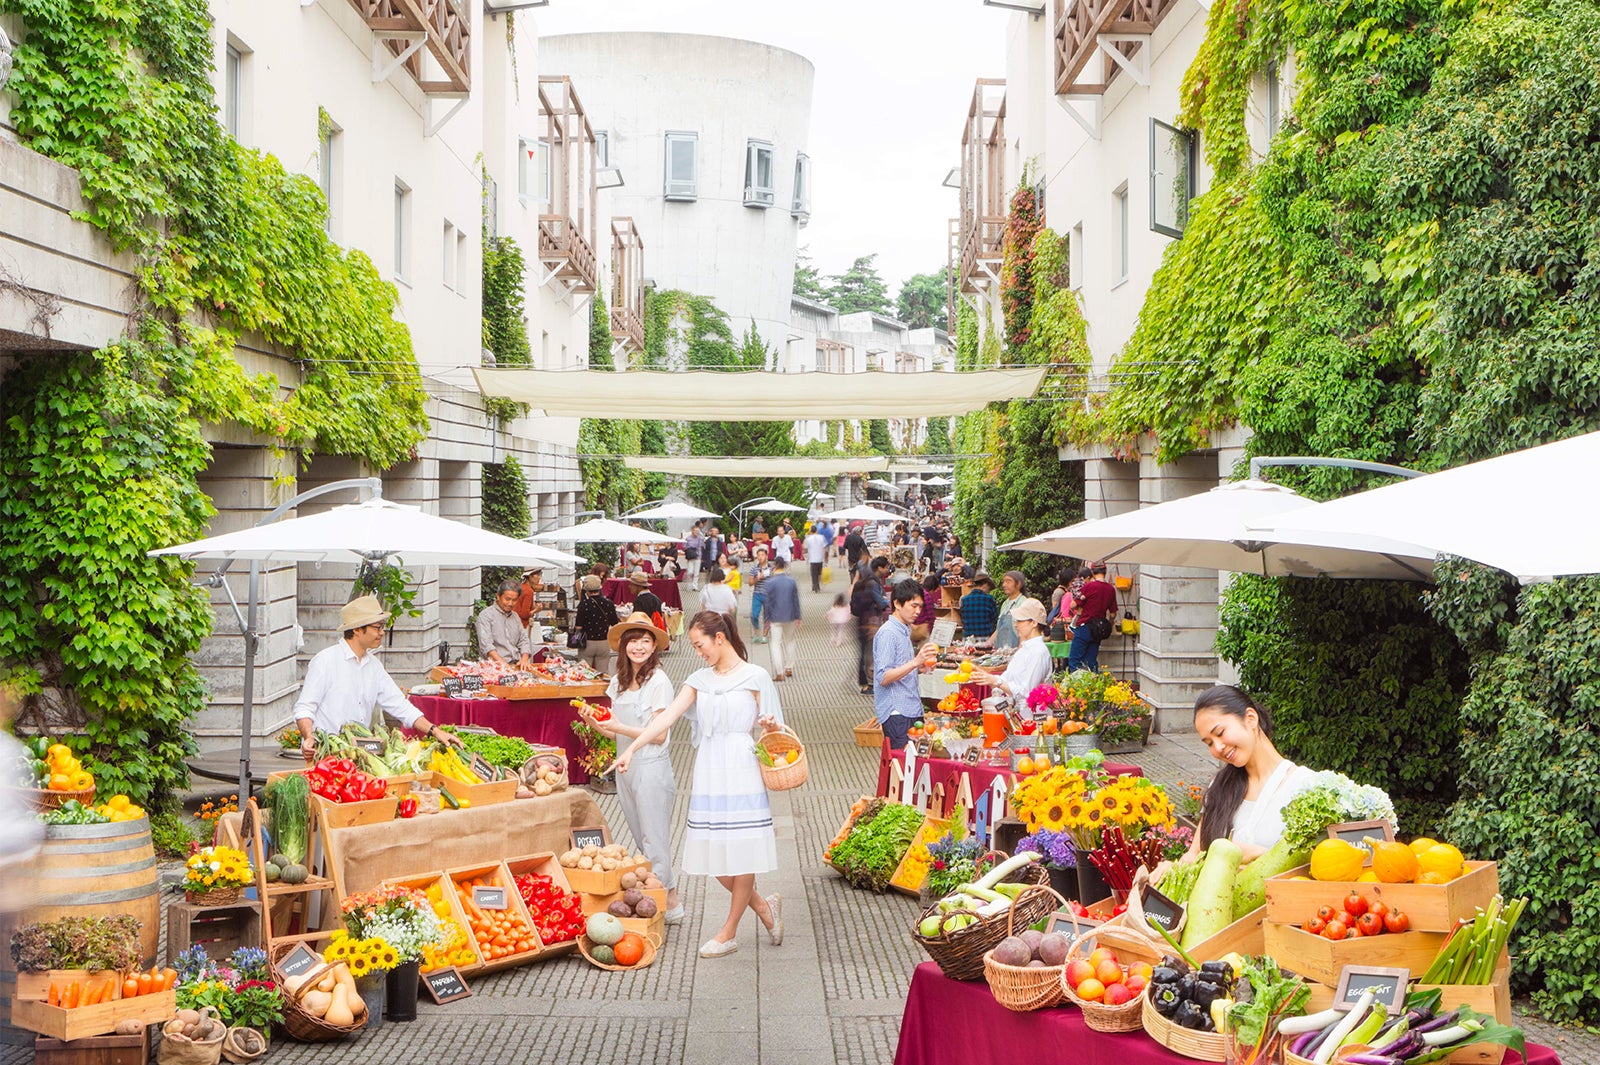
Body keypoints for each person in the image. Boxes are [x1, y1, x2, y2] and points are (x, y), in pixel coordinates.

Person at [613, 611, 785, 959]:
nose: (698, 652)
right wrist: (631, 747)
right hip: (709, 767)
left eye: (700, 644)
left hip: (742, 765)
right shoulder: (698, 680)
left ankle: (728, 932)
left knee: (743, 852)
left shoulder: (756, 677)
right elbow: (666, 718)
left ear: (719, 638)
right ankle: (764, 908)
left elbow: (778, 731)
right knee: (715, 859)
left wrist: (768, 726)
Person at [592, 613, 683, 922]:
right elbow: (614, 728)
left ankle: (665, 903)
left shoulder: (659, 681)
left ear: (655, 646)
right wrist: (598, 723)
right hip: (625, 767)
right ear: (623, 645)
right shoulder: (617, 681)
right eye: (634, 640)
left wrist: (620, 728)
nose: (639, 647)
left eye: (646, 641)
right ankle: (667, 897)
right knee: (640, 838)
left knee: (654, 841)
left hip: (651, 768)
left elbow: (659, 735)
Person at [293, 596, 460, 758]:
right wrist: (308, 736)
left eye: (383, 627)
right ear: (357, 629)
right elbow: (304, 708)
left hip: (360, 754)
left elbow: (400, 705)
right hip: (326, 754)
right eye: (377, 627)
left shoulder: (373, 666)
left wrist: (435, 731)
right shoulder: (325, 661)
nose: (382, 632)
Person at [1184, 685, 1318, 862]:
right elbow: (1195, 854)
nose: (1218, 748)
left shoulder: (1304, 785)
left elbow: (1318, 865)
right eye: (1209, 743)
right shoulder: (1220, 786)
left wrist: (1262, 856)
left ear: (1250, 718)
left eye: (1220, 733)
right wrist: (1169, 869)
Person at [873, 580, 940, 750]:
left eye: (920, 607)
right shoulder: (888, 633)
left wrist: (919, 668)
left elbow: (900, 667)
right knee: (903, 765)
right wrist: (915, 662)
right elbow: (884, 677)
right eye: (914, 606)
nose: (918, 611)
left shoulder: (903, 629)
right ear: (897, 603)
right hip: (897, 712)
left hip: (910, 708)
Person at [969, 598, 1052, 709]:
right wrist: (983, 675)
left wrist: (995, 681)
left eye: (1020, 621)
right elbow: (1006, 679)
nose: (1016, 625)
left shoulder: (1038, 652)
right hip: (1016, 712)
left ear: (1033, 623)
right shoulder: (1024, 649)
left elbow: (1027, 692)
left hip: (1031, 717)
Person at [850, 557, 891, 694]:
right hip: (871, 622)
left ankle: (865, 682)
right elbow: (882, 602)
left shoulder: (863, 583)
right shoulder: (873, 584)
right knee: (869, 653)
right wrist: (884, 601)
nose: (887, 570)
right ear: (879, 568)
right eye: (886, 567)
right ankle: (868, 683)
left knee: (864, 653)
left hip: (861, 621)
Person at [1068, 563, 1118, 672]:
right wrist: (1110, 623)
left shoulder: (1089, 587)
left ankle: (1075, 686)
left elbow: (1073, 605)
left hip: (1084, 626)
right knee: (1091, 662)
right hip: (1098, 630)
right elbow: (1113, 614)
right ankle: (1093, 686)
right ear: (1105, 572)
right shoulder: (1110, 589)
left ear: (1092, 572)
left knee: (1075, 661)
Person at [476, 580, 533, 669]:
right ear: (498, 596)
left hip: (515, 665)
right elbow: (487, 646)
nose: (510, 603)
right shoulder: (486, 616)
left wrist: (524, 659)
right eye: (507, 599)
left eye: (514, 600)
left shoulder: (515, 616)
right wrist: (503, 664)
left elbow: (524, 640)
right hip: (494, 668)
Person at [762, 557, 802, 681]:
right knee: (790, 641)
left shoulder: (770, 583)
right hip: (790, 615)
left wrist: (766, 619)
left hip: (775, 617)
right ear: (784, 566)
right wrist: (798, 615)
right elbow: (796, 599)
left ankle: (779, 672)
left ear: (774, 567)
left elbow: (767, 602)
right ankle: (789, 667)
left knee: (775, 644)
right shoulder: (791, 581)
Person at [574, 575, 621, 674]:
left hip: (587, 643)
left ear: (586, 590)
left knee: (584, 672)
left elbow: (578, 626)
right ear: (600, 588)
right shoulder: (609, 603)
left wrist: (574, 640)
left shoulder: (584, 605)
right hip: (604, 642)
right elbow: (614, 623)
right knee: (603, 673)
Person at [992, 570, 1027, 650]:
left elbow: (1025, 632)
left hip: (1016, 650)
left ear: (1018, 584)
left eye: (1008, 581)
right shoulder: (1005, 604)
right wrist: (987, 644)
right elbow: (999, 629)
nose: (1004, 585)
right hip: (1002, 651)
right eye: (1003, 582)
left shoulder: (1024, 603)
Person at [960, 573, 999, 641]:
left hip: (968, 639)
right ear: (985, 585)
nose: (988, 592)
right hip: (986, 638)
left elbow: (962, 619)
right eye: (989, 589)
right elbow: (995, 618)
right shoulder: (989, 599)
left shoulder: (964, 600)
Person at [747, 546, 774, 644]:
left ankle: (765, 635)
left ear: (766, 556)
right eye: (758, 555)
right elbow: (749, 582)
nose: (760, 557)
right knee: (754, 615)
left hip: (769, 595)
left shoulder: (772, 568)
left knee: (768, 616)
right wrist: (758, 578)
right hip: (757, 594)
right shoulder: (754, 569)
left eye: (762, 555)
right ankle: (757, 633)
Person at [912, 572, 940, 643]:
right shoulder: (927, 596)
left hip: (914, 626)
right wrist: (931, 630)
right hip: (923, 627)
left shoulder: (918, 593)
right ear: (933, 588)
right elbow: (930, 615)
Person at [803, 524, 828, 592]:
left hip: (812, 559)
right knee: (819, 573)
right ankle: (817, 585)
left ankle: (815, 585)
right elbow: (825, 548)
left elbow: (805, 548)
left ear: (810, 531)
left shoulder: (808, 539)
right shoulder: (822, 537)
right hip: (820, 558)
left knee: (813, 573)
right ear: (817, 530)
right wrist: (826, 559)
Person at [685, 521, 706, 587]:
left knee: (696, 572)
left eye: (698, 531)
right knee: (690, 572)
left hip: (698, 557)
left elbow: (702, 547)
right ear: (692, 531)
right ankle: (689, 584)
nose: (697, 532)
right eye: (695, 531)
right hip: (691, 557)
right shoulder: (688, 538)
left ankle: (695, 585)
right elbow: (684, 547)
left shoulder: (699, 539)